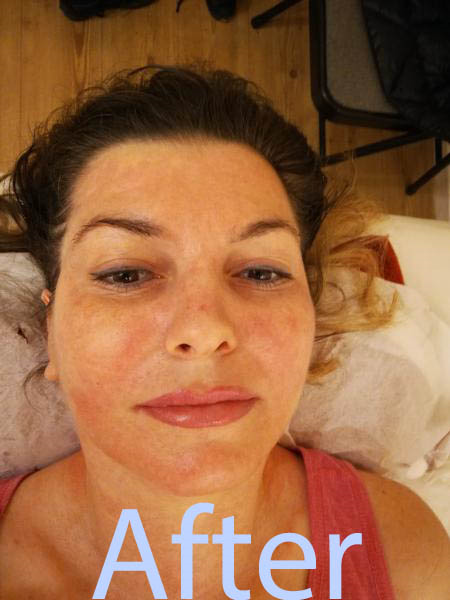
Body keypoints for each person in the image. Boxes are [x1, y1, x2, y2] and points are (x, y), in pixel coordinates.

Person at [0, 62, 448, 599]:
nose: (204, 329)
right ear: (51, 332)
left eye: (261, 272)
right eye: (125, 274)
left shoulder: (405, 554)